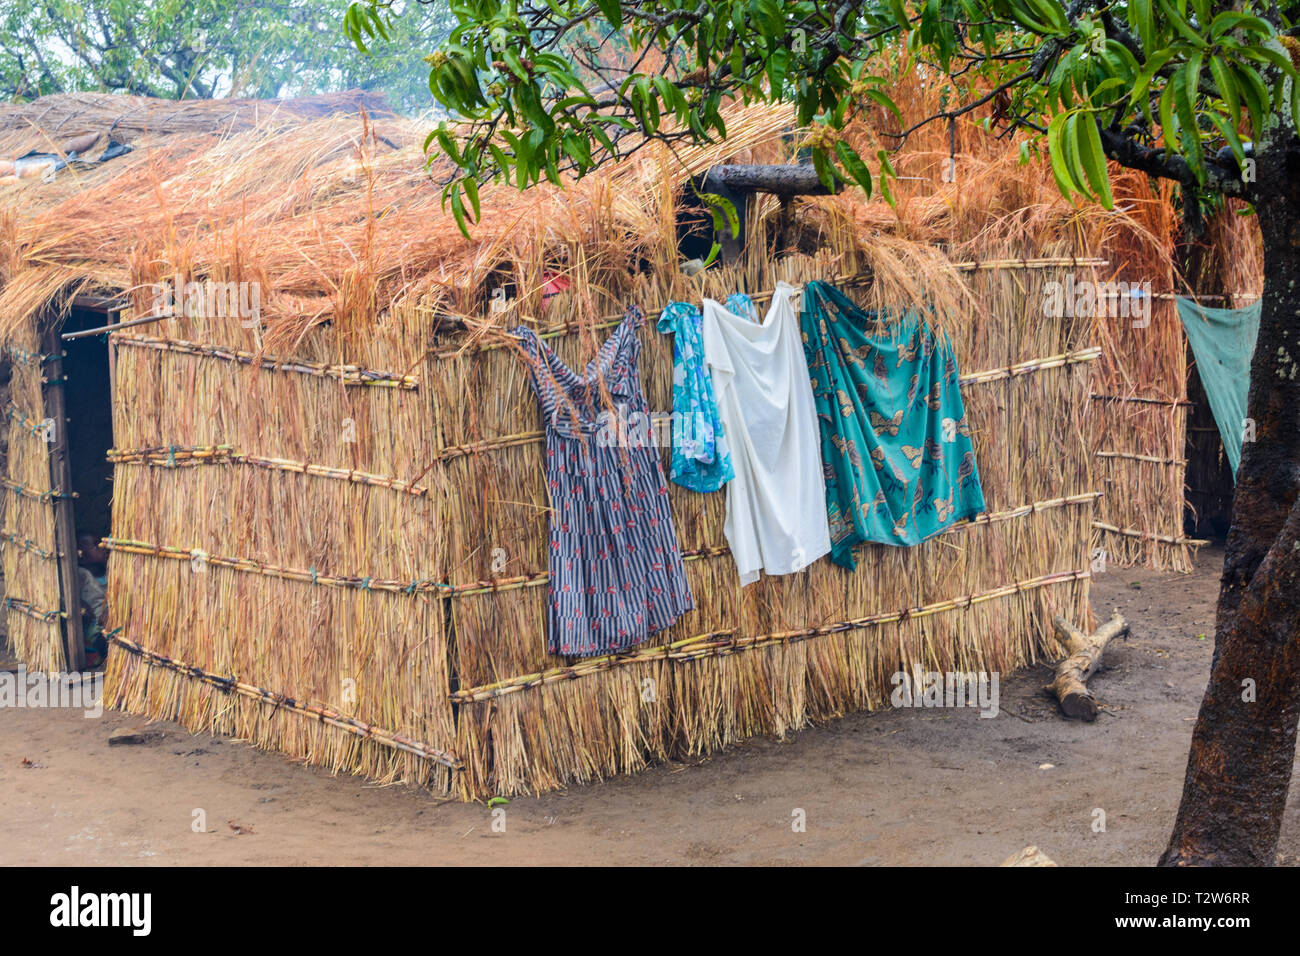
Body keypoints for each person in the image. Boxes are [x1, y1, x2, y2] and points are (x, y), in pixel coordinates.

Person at [77, 534, 108, 667]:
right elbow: (65, 597)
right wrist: (80, 605)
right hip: (94, 623)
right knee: (99, 637)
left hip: (111, 619)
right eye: (96, 546)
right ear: (82, 557)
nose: (103, 548)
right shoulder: (81, 574)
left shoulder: (111, 571)